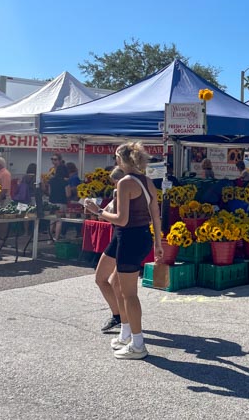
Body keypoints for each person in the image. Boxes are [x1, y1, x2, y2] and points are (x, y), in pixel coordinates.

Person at [84, 142, 163, 360]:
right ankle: (127, 333)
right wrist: (158, 242)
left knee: (129, 294)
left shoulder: (126, 183)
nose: (115, 160)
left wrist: (98, 210)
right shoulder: (147, 181)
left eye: (116, 157)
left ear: (122, 159)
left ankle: (138, 344)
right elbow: (155, 214)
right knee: (111, 282)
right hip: (135, 237)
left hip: (129, 237)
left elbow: (122, 219)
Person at [94, 167, 126, 333]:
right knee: (115, 283)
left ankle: (120, 317)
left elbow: (119, 218)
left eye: (116, 183)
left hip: (121, 238)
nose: (115, 186)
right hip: (123, 238)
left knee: (104, 279)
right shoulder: (123, 193)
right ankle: (121, 318)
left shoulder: (124, 193)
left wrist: (97, 210)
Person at [48, 163, 69, 241]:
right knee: (59, 221)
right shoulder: (65, 182)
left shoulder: (51, 180)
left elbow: (49, 192)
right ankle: (56, 238)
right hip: (61, 202)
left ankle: (50, 238)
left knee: (52, 220)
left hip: (52, 202)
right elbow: (68, 194)